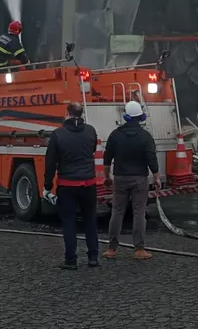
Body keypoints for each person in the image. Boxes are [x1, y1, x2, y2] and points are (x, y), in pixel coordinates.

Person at [43, 103, 100, 269]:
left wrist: (47, 185)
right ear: (81, 114)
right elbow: (92, 150)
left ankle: (71, 260)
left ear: (66, 113)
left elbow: (50, 162)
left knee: (69, 222)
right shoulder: (90, 131)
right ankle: (93, 257)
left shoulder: (58, 134)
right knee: (90, 220)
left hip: (67, 184)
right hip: (89, 183)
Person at [102, 101, 161, 260]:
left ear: (126, 116)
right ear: (141, 117)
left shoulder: (115, 135)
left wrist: (107, 177)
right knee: (139, 213)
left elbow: (107, 158)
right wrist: (156, 177)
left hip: (120, 178)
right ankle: (139, 249)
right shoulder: (145, 136)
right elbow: (151, 158)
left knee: (117, 212)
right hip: (140, 179)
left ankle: (111, 249)